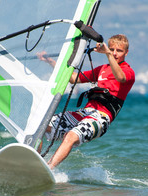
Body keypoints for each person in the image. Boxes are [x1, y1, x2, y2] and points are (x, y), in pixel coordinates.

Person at [40, 34, 135, 169]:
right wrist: (49, 61)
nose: (114, 53)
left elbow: (120, 77)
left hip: (102, 117)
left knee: (71, 136)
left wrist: (107, 53)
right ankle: (33, 162)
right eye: (112, 49)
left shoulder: (128, 72)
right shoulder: (102, 69)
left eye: (119, 51)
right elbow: (73, 78)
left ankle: (48, 168)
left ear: (126, 52)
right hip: (85, 112)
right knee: (41, 126)